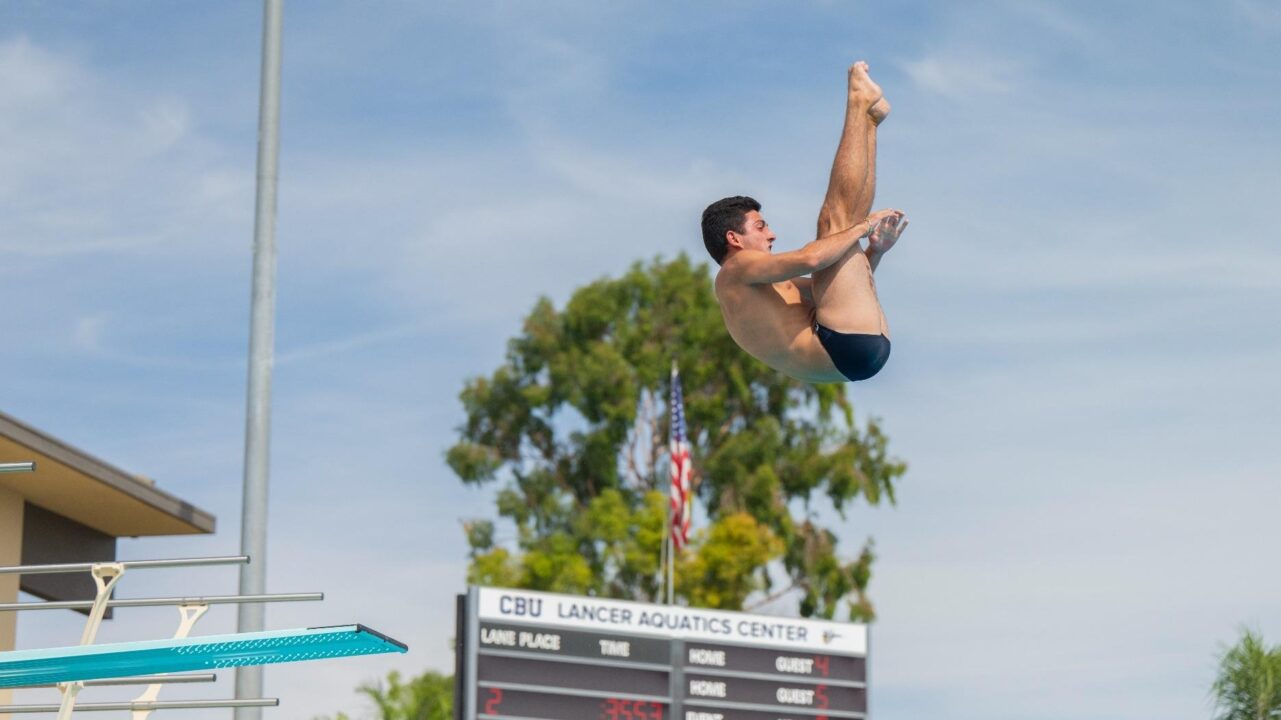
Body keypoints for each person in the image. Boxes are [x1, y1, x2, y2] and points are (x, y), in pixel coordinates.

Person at [702, 61, 909, 383]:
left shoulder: (763, 287)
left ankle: (869, 121)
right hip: (840, 345)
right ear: (734, 238)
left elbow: (828, 284)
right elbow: (811, 258)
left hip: (857, 349)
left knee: (841, 233)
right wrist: (865, 225)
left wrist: (876, 251)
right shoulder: (735, 271)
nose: (771, 234)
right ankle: (857, 101)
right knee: (833, 223)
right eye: (760, 227)